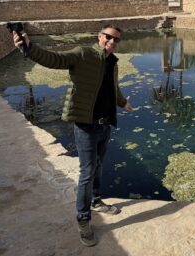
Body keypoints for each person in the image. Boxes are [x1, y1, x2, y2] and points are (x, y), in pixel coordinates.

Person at [13, 24, 133, 247]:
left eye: (116, 39)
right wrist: (29, 47)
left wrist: (123, 102)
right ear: (99, 36)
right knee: (87, 172)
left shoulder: (112, 62)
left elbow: (113, 88)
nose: (112, 42)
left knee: (98, 165)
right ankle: (83, 219)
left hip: (105, 125)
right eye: (108, 37)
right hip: (86, 126)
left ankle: (96, 201)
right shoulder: (83, 54)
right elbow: (55, 60)